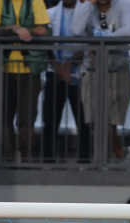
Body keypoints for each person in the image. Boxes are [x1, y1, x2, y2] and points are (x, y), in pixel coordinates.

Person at [73, 0, 130, 163]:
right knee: (94, 118)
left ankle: (109, 156)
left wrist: (105, 37)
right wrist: (88, 4)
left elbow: (128, 30)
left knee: (112, 118)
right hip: (93, 69)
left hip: (118, 68)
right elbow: (76, 30)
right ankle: (106, 157)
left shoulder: (124, 5)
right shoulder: (86, 6)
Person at [0, 0, 49, 163]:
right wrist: (14, 29)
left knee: (27, 117)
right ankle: (6, 159)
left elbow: (43, 29)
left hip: (30, 69)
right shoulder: (0, 1)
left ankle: (25, 157)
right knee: (4, 116)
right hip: (3, 68)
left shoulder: (36, 1)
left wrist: (26, 30)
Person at [39, 0, 82, 162]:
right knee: (50, 120)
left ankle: (85, 160)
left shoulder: (85, 13)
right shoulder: (49, 14)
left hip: (78, 74)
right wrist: (57, 66)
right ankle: (48, 160)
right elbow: (46, 44)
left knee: (83, 121)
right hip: (55, 72)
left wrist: (70, 65)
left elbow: (88, 41)